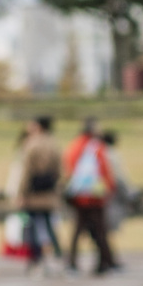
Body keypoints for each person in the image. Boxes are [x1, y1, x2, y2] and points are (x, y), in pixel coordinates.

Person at [62, 117, 116, 276]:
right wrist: (109, 189)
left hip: (78, 195)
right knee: (100, 230)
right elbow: (105, 171)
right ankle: (104, 261)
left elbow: (69, 169)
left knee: (77, 230)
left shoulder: (73, 146)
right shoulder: (96, 147)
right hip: (95, 196)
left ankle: (71, 261)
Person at [16, 115, 64, 274]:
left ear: (38, 126)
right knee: (50, 226)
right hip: (49, 192)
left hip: (33, 193)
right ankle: (58, 257)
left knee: (33, 227)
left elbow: (26, 172)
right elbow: (60, 170)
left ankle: (36, 260)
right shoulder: (53, 143)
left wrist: (21, 193)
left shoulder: (31, 144)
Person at [101, 130, 138, 254]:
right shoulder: (112, 154)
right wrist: (129, 193)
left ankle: (107, 255)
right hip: (112, 194)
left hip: (100, 193)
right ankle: (108, 255)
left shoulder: (98, 153)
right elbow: (120, 177)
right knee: (107, 226)